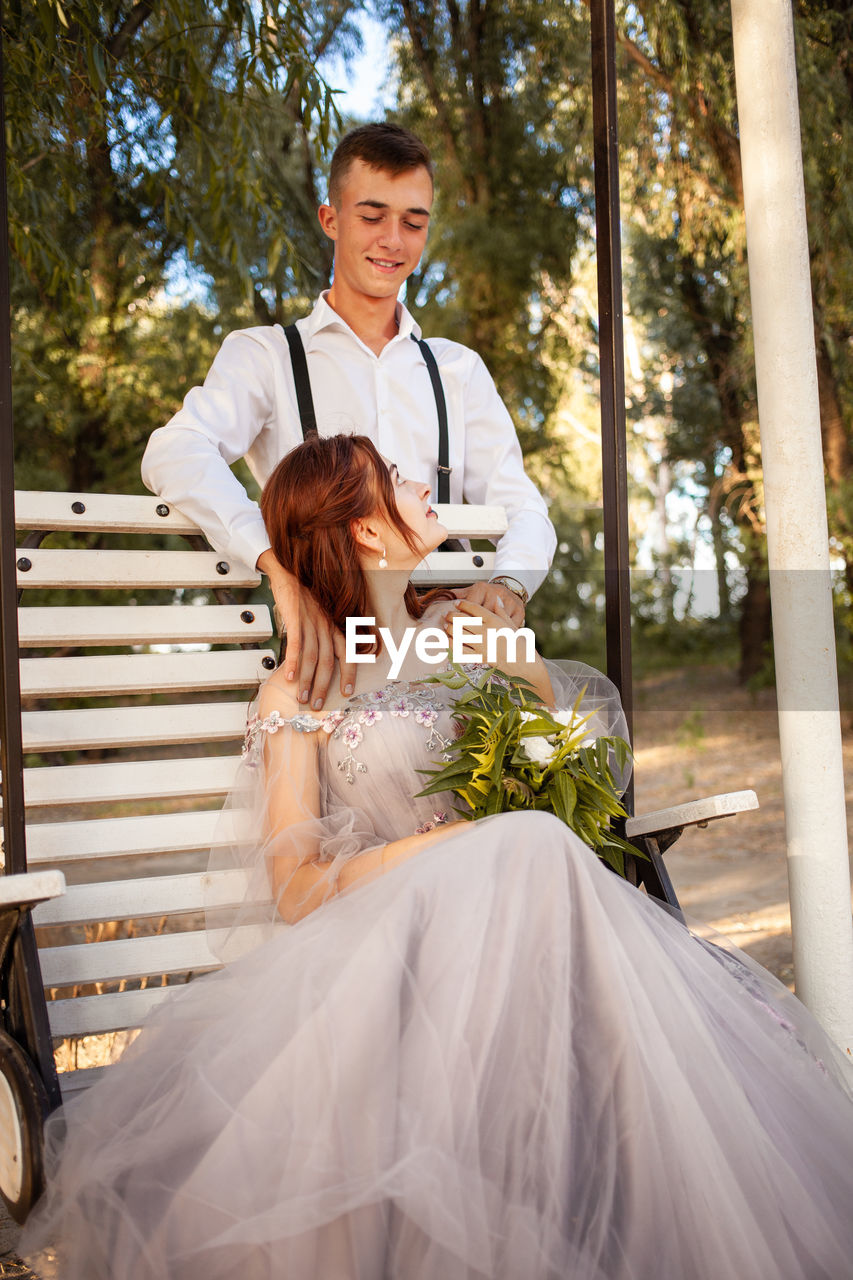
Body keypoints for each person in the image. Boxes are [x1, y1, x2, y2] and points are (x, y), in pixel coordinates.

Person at [21, 434, 853, 1280]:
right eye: (394, 480)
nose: (420, 487)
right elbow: (296, 888)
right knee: (528, 847)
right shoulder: (302, 687)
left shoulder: (462, 635)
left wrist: (519, 671)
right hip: (392, 946)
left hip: (524, 917)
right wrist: (446, 846)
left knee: (534, 845)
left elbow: (570, 766)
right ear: (368, 533)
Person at [141, 122, 556, 711]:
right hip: (339, 651)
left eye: (413, 222)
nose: (393, 239)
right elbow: (173, 451)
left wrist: (510, 584)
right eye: (372, 216)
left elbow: (525, 508)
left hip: (452, 646)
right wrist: (280, 570)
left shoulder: (457, 369)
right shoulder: (266, 356)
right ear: (330, 219)